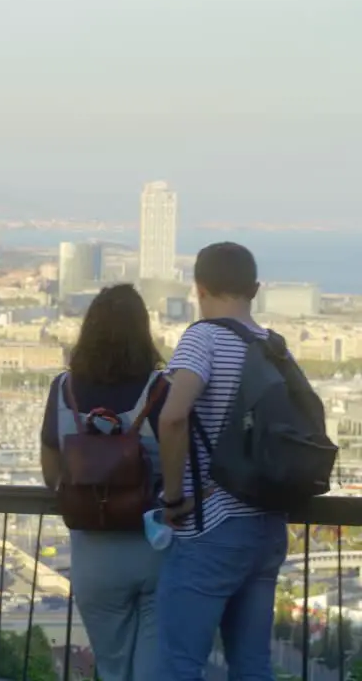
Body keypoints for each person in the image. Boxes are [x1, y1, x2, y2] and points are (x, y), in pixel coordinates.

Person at [156, 242, 289, 678]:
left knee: (180, 664)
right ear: (255, 289)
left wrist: (174, 499)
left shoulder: (203, 337)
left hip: (212, 524)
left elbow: (173, 417)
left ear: (199, 288)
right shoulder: (275, 346)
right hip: (268, 524)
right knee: (252, 664)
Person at [38, 284, 167, 681]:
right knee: (154, 669)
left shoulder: (64, 390)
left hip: (93, 554)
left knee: (111, 669)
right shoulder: (163, 390)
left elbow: (50, 474)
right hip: (155, 546)